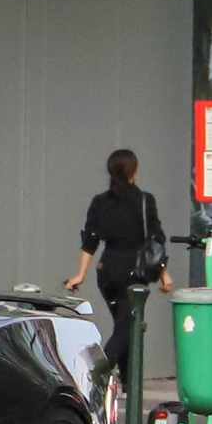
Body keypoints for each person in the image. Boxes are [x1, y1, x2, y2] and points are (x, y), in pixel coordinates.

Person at [66, 148, 174, 372]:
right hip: (134, 270)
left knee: (124, 326)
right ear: (133, 172)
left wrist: (80, 274)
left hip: (107, 271)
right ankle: (98, 372)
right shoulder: (145, 201)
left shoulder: (100, 202)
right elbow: (155, 239)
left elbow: (91, 240)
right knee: (128, 327)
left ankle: (127, 383)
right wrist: (163, 273)